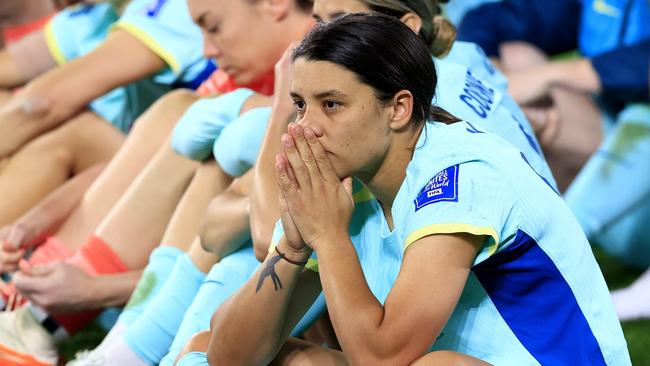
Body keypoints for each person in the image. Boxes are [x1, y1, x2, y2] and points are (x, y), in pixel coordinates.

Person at [203, 13, 630, 365]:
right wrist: (293, 248)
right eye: (300, 105)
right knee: (214, 349)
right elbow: (227, 357)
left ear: (399, 108)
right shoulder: (342, 182)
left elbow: (383, 357)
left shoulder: (460, 174)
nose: (305, 127)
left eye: (331, 104)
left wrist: (329, 238)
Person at [0, 0, 214, 225]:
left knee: (76, 132)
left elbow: (40, 106)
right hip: (134, 160)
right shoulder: (95, 14)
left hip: (192, 179)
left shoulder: (176, 9)